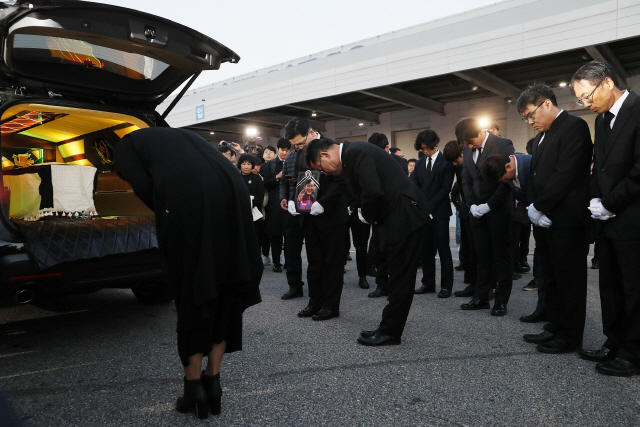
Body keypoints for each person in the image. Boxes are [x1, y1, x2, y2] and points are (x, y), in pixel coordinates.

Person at [114, 128, 261, 419]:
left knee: (194, 292)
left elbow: (145, 189)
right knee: (226, 291)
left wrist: (167, 215)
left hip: (192, 198)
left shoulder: (124, 147)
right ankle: (214, 384)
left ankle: (194, 390)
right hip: (233, 191)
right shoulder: (180, 138)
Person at [305, 139, 431, 346]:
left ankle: (390, 332)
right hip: (399, 217)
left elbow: (372, 190)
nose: (325, 173)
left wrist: (366, 213)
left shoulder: (355, 153)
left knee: (400, 277)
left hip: (405, 217)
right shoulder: (353, 153)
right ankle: (387, 328)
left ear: (325, 155)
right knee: (397, 275)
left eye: (320, 169)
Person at [571, 61, 640, 376]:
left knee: (634, 289)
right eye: (581, 100)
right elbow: (600, 167)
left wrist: (610, 203)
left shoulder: (638, 111)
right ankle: (614, 341)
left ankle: (633, 352)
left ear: (608, 83)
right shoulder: (601, 121)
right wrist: (595, 200)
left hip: (633, 220)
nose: (586, 104)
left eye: (587, 96)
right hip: (608, 220)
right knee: (610, 287)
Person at [517, 84, 592, 355]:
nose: (530, 121)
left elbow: (566, 173)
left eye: (531, 114)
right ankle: (556, 326)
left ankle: (570, 335)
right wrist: (535, 208)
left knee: (569, 280)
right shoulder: (541, 137)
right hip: (546, 219)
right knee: (551, 277)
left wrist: (541, 206)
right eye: (525, 118)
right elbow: (536, 177)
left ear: (547, 103)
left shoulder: (574, 127)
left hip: (567, 219)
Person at [282, 117, 349, 321]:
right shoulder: (298, 152)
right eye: (294, 145)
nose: (298, 147)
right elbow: (296, 181)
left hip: (331, 216)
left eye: (300, 143)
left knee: (332, 262)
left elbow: (341, 181)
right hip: (308, 215)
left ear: (311, 133)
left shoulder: (331, 148)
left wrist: (324, 203)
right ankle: (315, 301)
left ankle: (330, 305)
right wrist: (293, 200)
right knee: (314, 261)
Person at [457, 117, 515, 316]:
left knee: (501, 256)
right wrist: (471, 204)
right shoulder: (467, 148)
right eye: (467, 144)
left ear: (481, 132)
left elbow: (506, 179)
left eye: (471, 142)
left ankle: (501, 300)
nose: (470, 146)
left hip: (498, 209)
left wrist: (489, 205)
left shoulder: (503, 144)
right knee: (481, 255)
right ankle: (481, 296)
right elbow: (465, 177)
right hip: (476, 210)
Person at [411, 130, 455, 298]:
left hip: (440, 213)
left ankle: (446, 286)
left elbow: (445, 189)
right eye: (422, 149)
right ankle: (427, 283)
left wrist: (429, 207)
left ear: (435, 144)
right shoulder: (420, 163)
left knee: (444, 249)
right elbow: (414, 184)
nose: (424, 151)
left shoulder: (446, 163)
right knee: (426, 250)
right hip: (423, 213)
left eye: (427, 148)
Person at [443, 140, 477, 297]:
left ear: (463, 154)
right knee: (468, 246)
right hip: (465, 210)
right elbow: (457, 190)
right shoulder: (457, 167)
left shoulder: (475, 163)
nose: (455, 164)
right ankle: (470, 281)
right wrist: (460, 205)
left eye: (456, 160)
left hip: (478, 210)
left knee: (478, 250)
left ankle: (482, 284)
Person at [261, 138, 290, 272]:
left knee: (290, 234)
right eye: (283, 150)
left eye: (287, 150)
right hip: (274, 204)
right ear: (277, 149)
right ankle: (277, 262)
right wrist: (276, 178)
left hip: (290, 202)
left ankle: (289, 261)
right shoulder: (269, 165)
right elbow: (263, 183)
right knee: (276, 235)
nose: (285, 152)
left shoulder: (294, 163)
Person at [238, 154, 265, 245]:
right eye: (243, 164)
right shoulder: (236, 177)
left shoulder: (257, 179)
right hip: (239, 213)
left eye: (249, 164)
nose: (246, 166)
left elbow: (260, 197)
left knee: (254, 240)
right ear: (240, 165)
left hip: (254, 214)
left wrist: (249, 201)